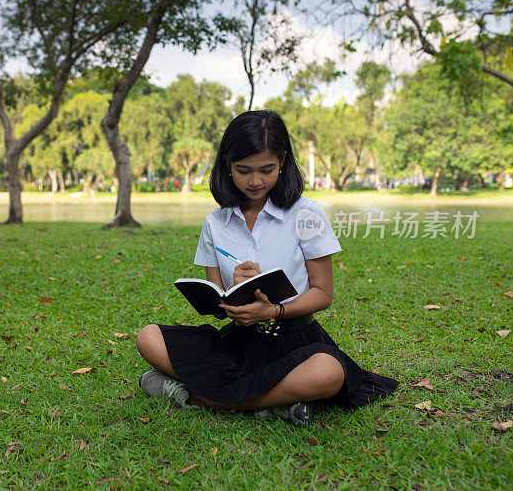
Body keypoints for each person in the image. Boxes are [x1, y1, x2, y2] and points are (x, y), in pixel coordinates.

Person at [135, 110, 398, 426]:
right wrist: (232, 294)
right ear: (226, 165)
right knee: (148, 337)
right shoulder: (215, 222)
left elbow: (323, 293)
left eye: (266, 170)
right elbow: (217, 305)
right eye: (243, 170)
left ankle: (199, 397)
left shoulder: (307, 214)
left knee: (328, 372)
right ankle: (276, 404)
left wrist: (274, 311)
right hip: (239, 340)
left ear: (283, 161)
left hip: (295, 337)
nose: (255, 181)